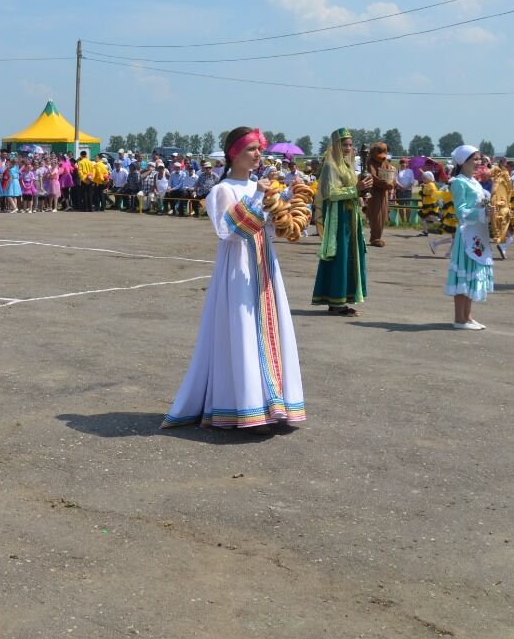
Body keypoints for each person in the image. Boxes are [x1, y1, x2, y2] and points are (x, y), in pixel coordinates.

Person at [160, 127, 305, 432]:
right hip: (237, 266)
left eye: (259, 149)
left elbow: (277, 224)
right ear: (234, 154)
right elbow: (229, 230)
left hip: (264, 264)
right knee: (241, 329)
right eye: (251, 149)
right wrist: (258, 195)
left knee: (269, 328)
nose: (258, 155)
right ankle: (245, 406)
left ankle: (273, 402)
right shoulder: (222, 190)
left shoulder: (259, 185)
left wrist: (291, 201)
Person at [312, 128, 371, 316]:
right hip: (338, 217)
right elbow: (331, 193)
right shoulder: (331, 165)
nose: (348, 148)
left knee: (351, 255)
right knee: (340, 256)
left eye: (350, 145)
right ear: (336, 145)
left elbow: (352, 188)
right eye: (344, 144)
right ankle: (336, 301)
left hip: (350, 215)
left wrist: (361, 190)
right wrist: (356, 189)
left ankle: (341, 298)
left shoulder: (346, 165)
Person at [446, 145, 495, 330]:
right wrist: (482, 212)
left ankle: (467, 316)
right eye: (474, 159)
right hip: (467, 234)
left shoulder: (474, 181)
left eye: (479, 159)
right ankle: (459, 318)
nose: (478, 163)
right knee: (464, 275)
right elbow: (461, 212)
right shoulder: (459, 182)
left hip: (479, 233)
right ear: (463, 161)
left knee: (472, 273)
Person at [364, 141, 396, 247]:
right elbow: (372, 177)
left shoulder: (385, 162)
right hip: (374, 192)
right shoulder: (370, 162)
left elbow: (390, 175)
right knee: (376, 214)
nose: (382, 156)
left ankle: (378, 236)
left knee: (383, 214)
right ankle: (375, 238)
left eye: (384, 151)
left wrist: (391, 183)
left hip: (384, 192)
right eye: (380, 151)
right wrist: (385, 184)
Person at [417, 170, 440, 235]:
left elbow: (431, 192)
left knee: (433, 218)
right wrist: (424, 186)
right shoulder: (428, 184)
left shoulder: (431, 185)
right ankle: (425, 231)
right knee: (423, 217)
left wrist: (425, 188)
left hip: (431, 205)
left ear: (429, 178)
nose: (423, 179)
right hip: (427, 205)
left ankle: (446, 224)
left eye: (424, 178)